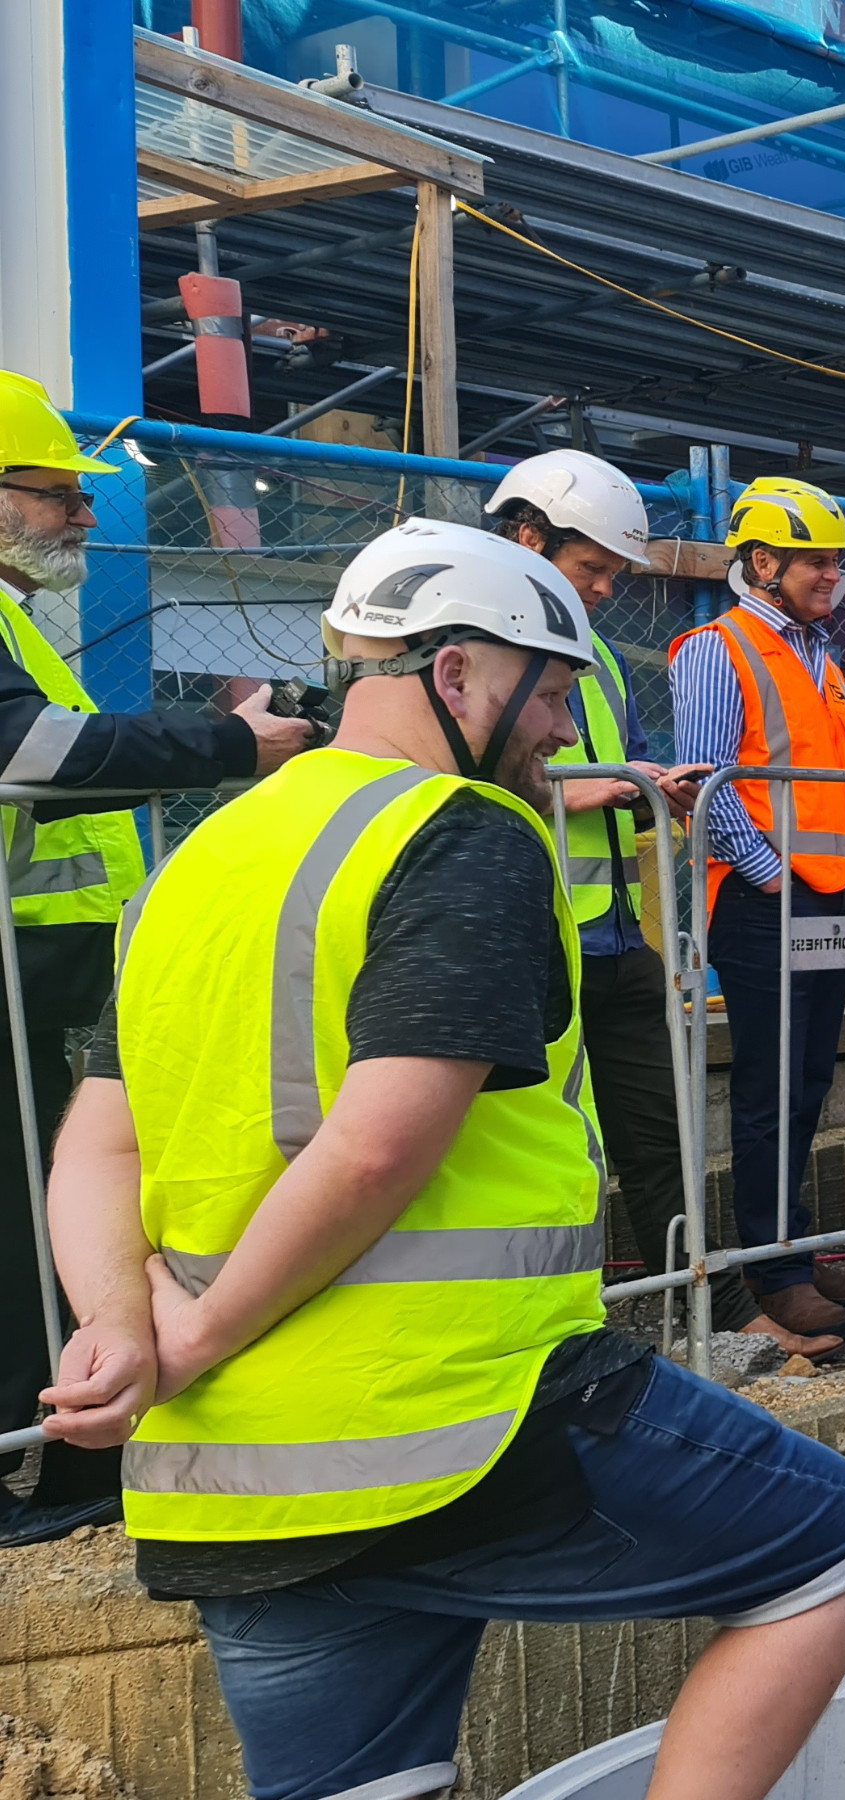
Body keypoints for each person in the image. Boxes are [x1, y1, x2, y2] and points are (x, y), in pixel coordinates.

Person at [39, 519, 845, 1800]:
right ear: (455, 675)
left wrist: (124, 1326)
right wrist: (201, 1332)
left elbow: (98, 1136)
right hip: (456, 1417)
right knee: (842, 1549)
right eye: (550, 692)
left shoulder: (196, 858)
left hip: (228, 1486)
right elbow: (383, 1143)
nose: (563, 731)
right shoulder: (459, 831)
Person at [0, 374, 315, 1547]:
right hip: (20, 959)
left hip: (46, 956)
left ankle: (64, 1449)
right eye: (53, 496)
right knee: (22, 1210)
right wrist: (235, 741)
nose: (80, 517)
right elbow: (33, 752)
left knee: (44, 1208)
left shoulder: (16, 613)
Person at [490, 452, 838, 1362]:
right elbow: (446, 779)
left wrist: (651, 787)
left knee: (661, 1139)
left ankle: (722, 1315)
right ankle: (553, 1335)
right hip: (526, 941)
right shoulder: (476, 647)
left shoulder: (593, 653)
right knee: (541, 1148)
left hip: (608, 940)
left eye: (612, 573)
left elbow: (631, 758)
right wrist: (596, 790)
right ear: (528, 537)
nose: (606, 590)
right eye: (592, 569)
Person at [668, 475, 845, 1345]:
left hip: (824, 899)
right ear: (762, 562)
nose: (832, 575)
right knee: (769, 1091)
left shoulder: (818, 655)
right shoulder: (720, 650)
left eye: (835, 561)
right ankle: (772, 1269)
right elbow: (709, 784)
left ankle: (792, 1246)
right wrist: (770, 876)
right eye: (814, 562)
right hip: (769, 903)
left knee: (807, 1087)